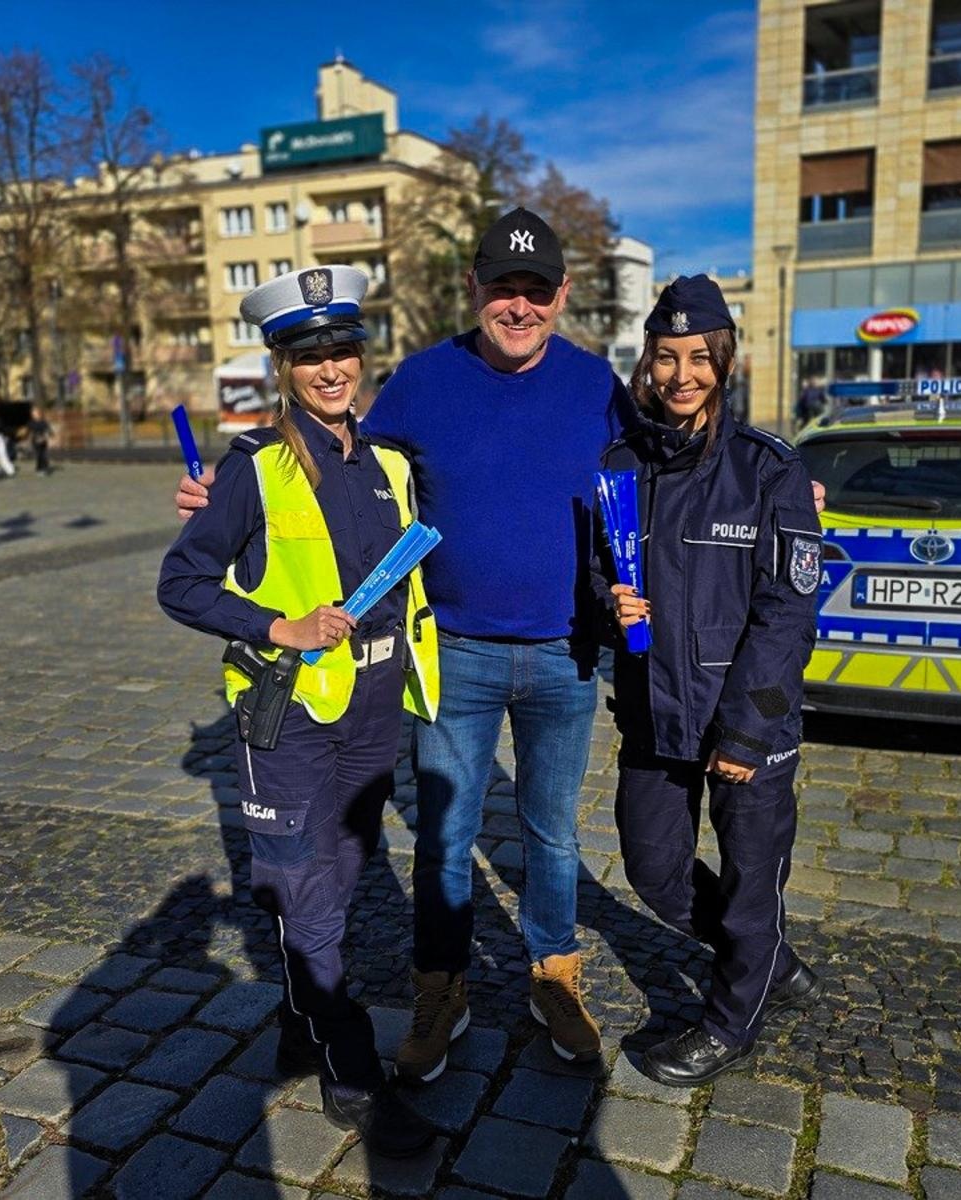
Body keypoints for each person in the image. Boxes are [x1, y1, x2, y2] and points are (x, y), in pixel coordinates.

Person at [176, 213, 830, 1082]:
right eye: (501, 289)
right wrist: (233, 484)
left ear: (560, 295)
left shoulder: (598, 383)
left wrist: (779, 487)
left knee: (551, 836)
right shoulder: (420, 381)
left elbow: (677, 449)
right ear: (476, 292)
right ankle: (441, 992)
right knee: (446, 837)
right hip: (455, 655)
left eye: (536, 290)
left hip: (567, 655)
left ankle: (553, 977)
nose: (518, 306)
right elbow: (337, 452)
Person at [157, 266, 441, 1156]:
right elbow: (182, 582)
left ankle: (298, 1016)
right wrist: (279, 623)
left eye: (341, 349)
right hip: (290, 719)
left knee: (343, 881)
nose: (329, 368)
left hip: (371, 712)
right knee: (309, 895)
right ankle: (354, 1074)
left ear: (362, 355)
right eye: (308, 353)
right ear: (282, 364)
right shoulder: (253, 469)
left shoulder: (390, 461)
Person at [593, 276, 824, 1087]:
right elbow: (600, 573)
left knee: (749, 882)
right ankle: (767, 962)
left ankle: (731, 1022)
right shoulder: (620, 467)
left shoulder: (769, 470)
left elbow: (788, 614)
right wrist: (608, 600)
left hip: (745, 726)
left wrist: (748, 733)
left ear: (723, 361)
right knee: (654, 868)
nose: (682, 373)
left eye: (699, 357)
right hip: (655, 717)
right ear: (647, 365)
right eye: (667, 356)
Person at [27, 407, 54, 476]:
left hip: (43, 440)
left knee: (44, 455)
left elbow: (49, 432)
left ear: (39, 414)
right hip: (35, 441)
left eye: (35, 414)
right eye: (33, 414)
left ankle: (45, 469)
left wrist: (43, 438)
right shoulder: (31, 423)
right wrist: (29, 442)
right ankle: (39, 468)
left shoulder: (44, 422)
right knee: (38, 455)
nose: (34, 415)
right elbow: (30, 433)